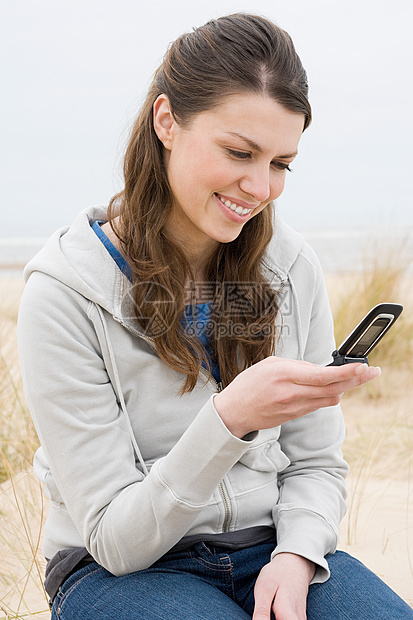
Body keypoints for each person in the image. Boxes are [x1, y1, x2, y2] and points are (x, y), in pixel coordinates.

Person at [17, 13, 413, 620]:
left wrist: (299, 553)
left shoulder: (289, 269)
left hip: (269, 547)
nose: (259, 187)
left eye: (281, 163)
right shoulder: (65, 293)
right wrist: (228, 420)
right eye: (239, 152)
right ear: (167, 121)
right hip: (122, 572)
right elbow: (116, 541)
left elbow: (315, 462)